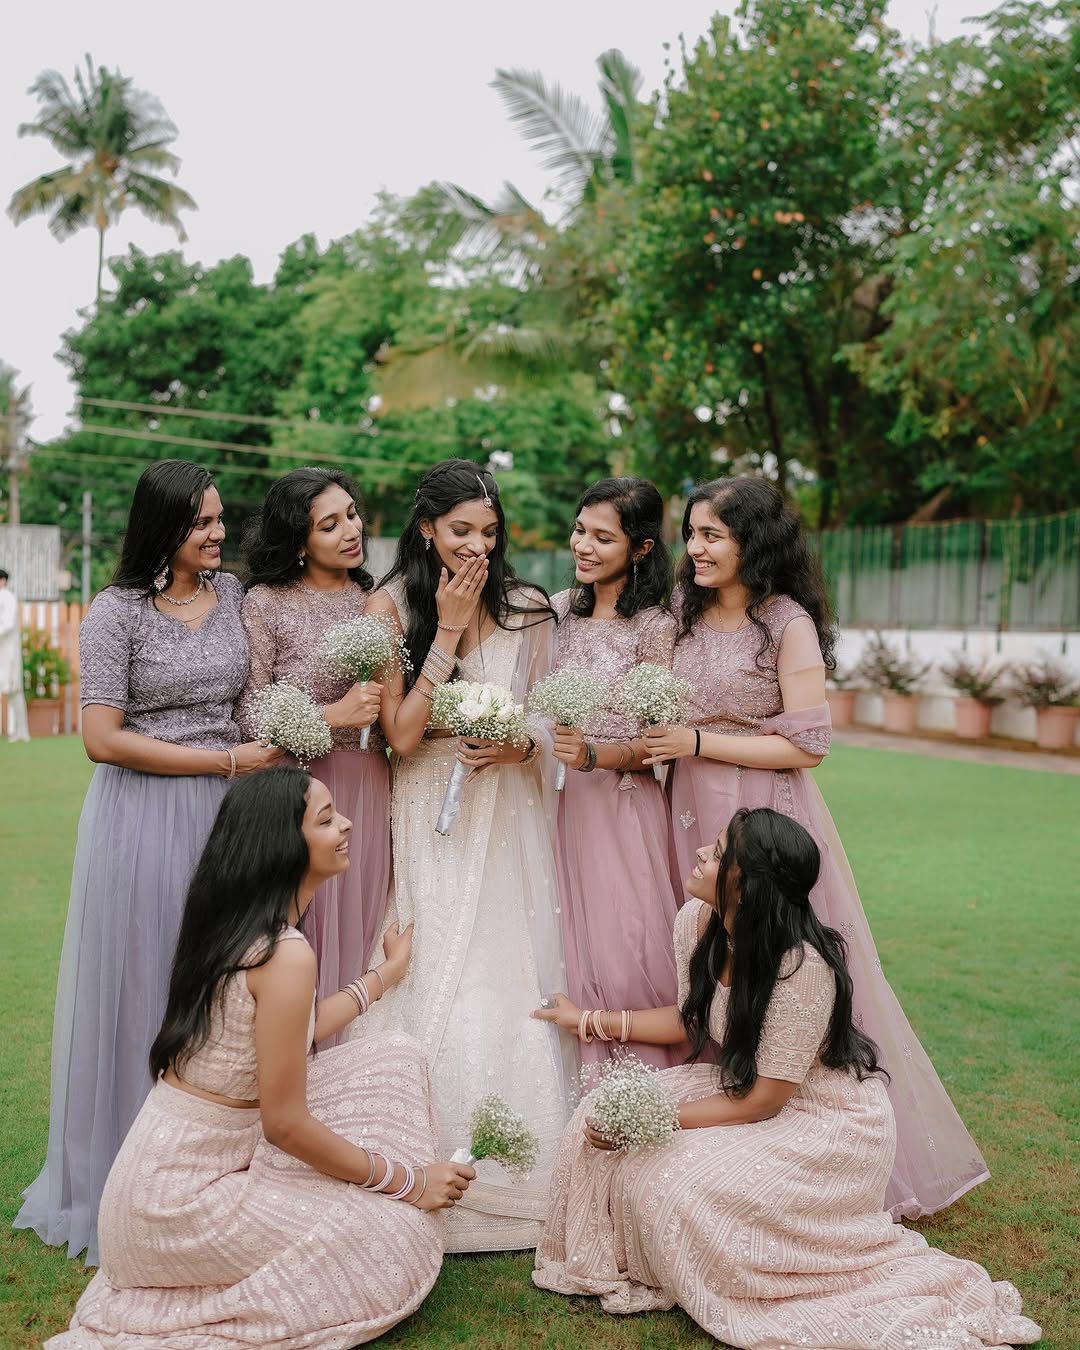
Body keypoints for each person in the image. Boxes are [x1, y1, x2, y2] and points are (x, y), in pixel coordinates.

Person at [532, 808, 1041, 1350]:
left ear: (747, 886)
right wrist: (587, 1020)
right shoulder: (697, 920)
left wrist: (655, 1121)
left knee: (675, 1181)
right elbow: (692, 1018)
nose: (701, 853)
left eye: (718, 852)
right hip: (744, 1087)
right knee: (600, 1114)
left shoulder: (802, 967)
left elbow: (765, 1102)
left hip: (823, 1121)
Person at [644, 475, 987, 1217]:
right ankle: (728, 1103)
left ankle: (825, 1136)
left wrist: (698, 740)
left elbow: (809, 745)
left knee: (791, 960)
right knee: (712, 951)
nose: (695, 549)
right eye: (691, 534)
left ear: (752, 543)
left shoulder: (785, 624)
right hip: (687, 811)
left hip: (763, 814)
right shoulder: (681, 612)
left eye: (712, 535)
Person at [48, 766, 475, 1349]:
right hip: (174, 1205)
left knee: (392, 1059)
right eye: (326, 819)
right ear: (283, 846)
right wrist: (408, 1182)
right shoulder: (284, 952)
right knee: (393, 1231)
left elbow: (296, 1028)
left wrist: (385, 975)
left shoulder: (235, 925)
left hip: (158, 1180)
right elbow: (286, 1126)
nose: (347, 824)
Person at [14, 459, 280, 1265]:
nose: (219, 533)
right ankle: (127, 1180)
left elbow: (249, 702)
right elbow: (102, 739)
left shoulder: (233, 596)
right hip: (142, 814)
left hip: (227, 819)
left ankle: (210, 1171)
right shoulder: (115, 611)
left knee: (223, 989)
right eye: (202, 522)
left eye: (220, 518)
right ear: (163, 526)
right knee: (145, 982)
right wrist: (221, 762)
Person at [356, 458, 575, 1253]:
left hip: (507, 811)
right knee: (431, 955)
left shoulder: (527, 608)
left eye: (488, 531)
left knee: (508, 962)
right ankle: (411, 1158)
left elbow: (551, 723)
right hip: (427, 812)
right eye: (460, 532)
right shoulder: (389, 605)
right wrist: (446, 630)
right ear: (426, 529)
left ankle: (522, 1165)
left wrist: (520, 744)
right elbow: (401, 735)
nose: (477, 546)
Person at [239, 467, 392, 994]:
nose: (352, 531)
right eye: (330, 525)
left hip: (368, 783)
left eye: (352, 515)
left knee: (362, 926)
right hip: (294, 791)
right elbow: (249, 715)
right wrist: (334, 714)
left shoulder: (377, 601)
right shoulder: (265, 602)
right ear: (298, 542)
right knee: (301, 933)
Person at [548, 477, 684, 1069]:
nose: (584, 545)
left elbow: (661, 744)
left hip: (623, 805)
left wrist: (595, 756)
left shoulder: (655, 626)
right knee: (563, 942)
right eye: (580, 530)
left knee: (628, 944)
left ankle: (640, 1082)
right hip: (555, 803)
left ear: (642, 548)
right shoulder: (558, 610)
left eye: (604, 538)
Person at [0, 567, 30, 741]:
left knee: (14, 691)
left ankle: (22, 732)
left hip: (8, 652)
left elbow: (8, 624)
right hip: (2, 651)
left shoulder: (7, 597)